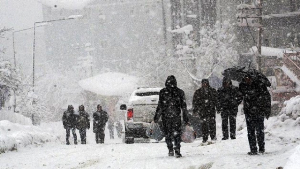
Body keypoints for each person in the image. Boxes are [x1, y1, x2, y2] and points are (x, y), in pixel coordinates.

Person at [154, 75, 189, 158]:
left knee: (168, 134)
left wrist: (156, 117)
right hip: (176, 116)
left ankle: (170, 149)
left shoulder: (163, 92)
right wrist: (186, 119)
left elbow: (160, 106)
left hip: (166, 117)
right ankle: (177, 149)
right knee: (176, 134)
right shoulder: (180, 92)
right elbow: (183, 107)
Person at [239, 73, 271, 155]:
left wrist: (266, 109)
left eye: (248, 78)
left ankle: (261, 148)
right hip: (249, 112)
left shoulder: (259, 85)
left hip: (258, 111)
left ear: (251, 78)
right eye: (245, 79)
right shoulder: (243, 86)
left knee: (259, 131)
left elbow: (266, 97)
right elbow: (240, 95)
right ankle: (253, 149)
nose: (247, 80)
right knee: (251, 132)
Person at [193, 79, 218, 143]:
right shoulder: (198, 92)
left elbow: (216, 100)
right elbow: (195, 102)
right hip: (203, 111)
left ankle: (213, 136)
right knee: (204, 125)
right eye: (203, 83)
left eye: (206, 83)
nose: (205, 84)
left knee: (212, 124)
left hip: (211, 110)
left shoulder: (212, 91)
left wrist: (218, 107)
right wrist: (195, 110)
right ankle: (205, 137)